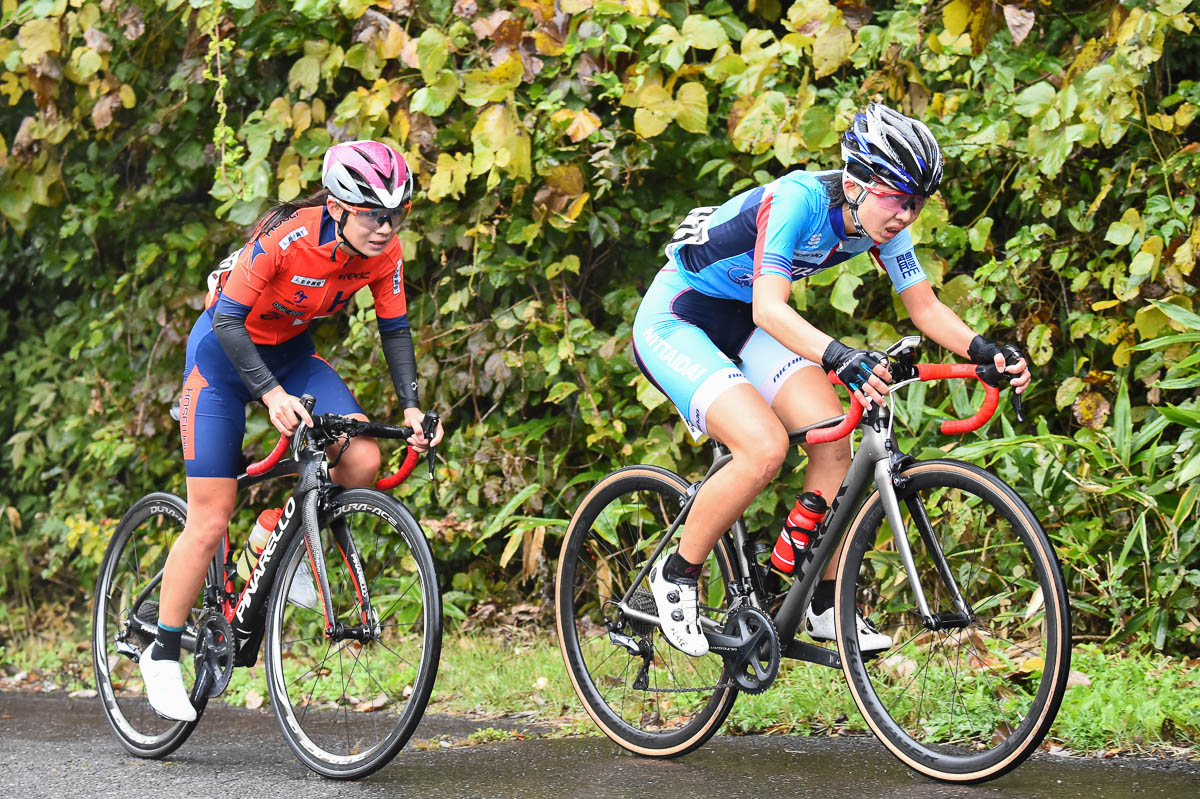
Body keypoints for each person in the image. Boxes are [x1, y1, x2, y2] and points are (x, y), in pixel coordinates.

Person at [632, 104, 1030, 657]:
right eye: (898, 199)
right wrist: (840, 356)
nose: (906, 216)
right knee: (764, 447)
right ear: (857, 185)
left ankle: (818, 597)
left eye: (916, 204)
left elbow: (925, 308)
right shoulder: (797, 200)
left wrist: (985, 350)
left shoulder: (879, 223)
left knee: (833, 439)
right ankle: (676, 575)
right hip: (679, 317)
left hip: (743, 320)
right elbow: (771, 308)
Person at [140, 140, 445, 720]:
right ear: (336, 206)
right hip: (222, 361)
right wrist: (271, 394)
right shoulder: (287, 239)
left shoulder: (384, 253)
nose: (386, 228)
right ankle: (160, 653)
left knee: (360, 461)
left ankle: (277, 533)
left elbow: (396, 330)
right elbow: (227, 321)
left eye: (397, 214)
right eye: (373, 215)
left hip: (292, 356)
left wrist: (410, 409)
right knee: (208, 518)